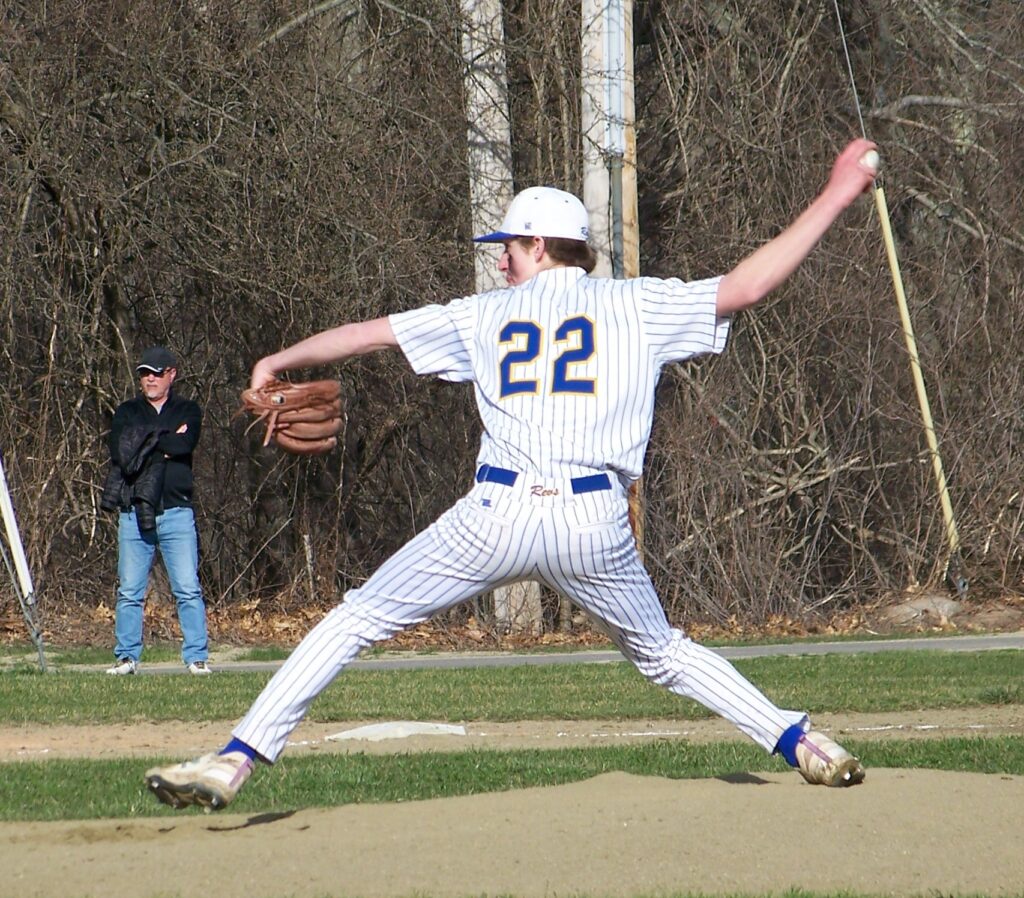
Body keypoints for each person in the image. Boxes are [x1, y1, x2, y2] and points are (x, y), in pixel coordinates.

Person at [145, 138, 877, 810]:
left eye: (509, 247)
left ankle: (235, 759)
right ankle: (803, 743)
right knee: (664, 655)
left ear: (537, 244)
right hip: (594, 523)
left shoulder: (485, 314)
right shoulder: (638, 303)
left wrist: (281, 361)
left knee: (359, 618)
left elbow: (371, 334)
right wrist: (838, 192)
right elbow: (748, 286)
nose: (501, 260)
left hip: (496, 515)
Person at [102, 346, 212, 676]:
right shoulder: (127, 411)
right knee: (130, 591)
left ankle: (196, 657)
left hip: (177, 511)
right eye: (144, 373)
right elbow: (121, 451)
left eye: (156, 373)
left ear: (171, 374)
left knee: (187, 589)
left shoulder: (188, 410)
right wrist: (163, 442)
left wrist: (145, 443)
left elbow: (184, 445)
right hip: (133, 512)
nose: (149, 378)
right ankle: (126, 658)